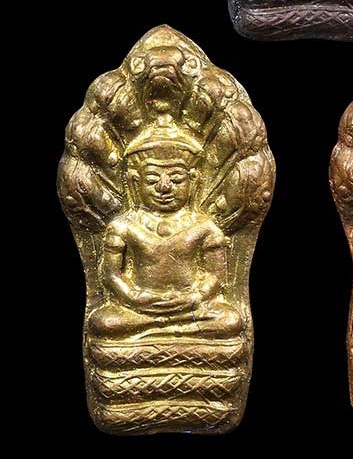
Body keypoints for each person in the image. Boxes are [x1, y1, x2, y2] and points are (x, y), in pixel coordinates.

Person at [88, 121, 242, 340]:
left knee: (230, 320)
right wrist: (134, 297)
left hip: (191, 306)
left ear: (193, 180)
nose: (164, 187)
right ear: (135, 181)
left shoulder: (204, 226)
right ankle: (170, 329)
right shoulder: (123, 226)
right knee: (103, 322)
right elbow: (112, 274)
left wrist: (195, 297)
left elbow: (216, 275)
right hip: (140, 307)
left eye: (176, 179)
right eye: (152, 180)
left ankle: (157, 330)